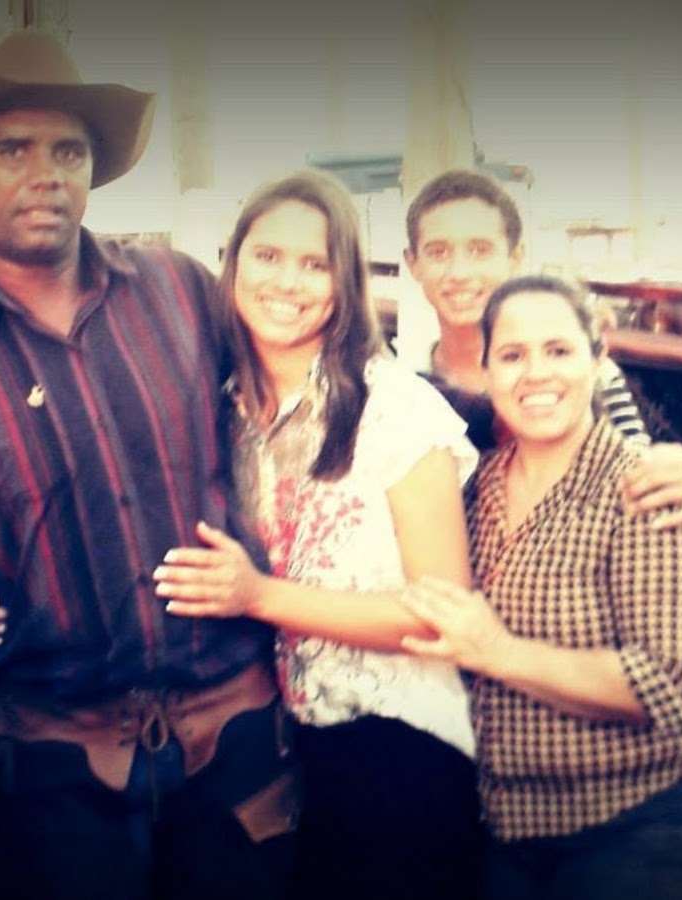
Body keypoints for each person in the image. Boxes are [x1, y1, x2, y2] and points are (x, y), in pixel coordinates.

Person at [0, 30, 299, 900]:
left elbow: (317, 391)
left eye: (68, 152)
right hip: (54, 773)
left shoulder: (181, 291)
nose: (46, 174)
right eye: (13, 150)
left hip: (237, 747)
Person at [148, 168, 481, 900]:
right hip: (278, 743)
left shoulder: (394, 409)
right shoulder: (223, 411)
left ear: (344, 282)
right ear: (233, 264)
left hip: (397, 746)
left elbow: (442, 616)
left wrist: (259, 596)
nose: (287, 282)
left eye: (315, 263)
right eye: (268, 256)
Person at [401, 275, 682, 900]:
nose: (536, 373)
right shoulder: (478, 484)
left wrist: (497, 651)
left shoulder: (649, 489)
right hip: (507, 828)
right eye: (512, 355)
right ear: (487, 371)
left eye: (558, 350)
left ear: (599, 359)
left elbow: (671, 690)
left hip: (636, 829)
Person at [403, 168, 682, 527]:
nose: (459, 272)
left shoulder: (582, 375)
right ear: (412, 263)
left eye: (479, 250)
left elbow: (638, 473)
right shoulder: (403, 389)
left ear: (515, 257)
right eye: (438, 252)